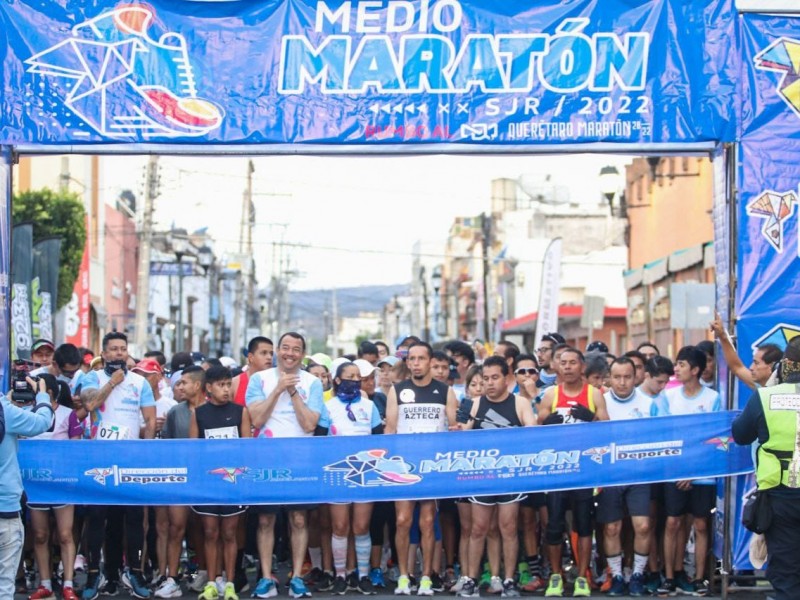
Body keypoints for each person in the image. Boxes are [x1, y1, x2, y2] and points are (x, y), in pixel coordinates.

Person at [246, 332, 323, 599]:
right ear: (277, 350)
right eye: (285, 348)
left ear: (303, 353)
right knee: (266, 518)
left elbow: (310, 424)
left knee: (299, 518)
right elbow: (256, 418)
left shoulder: (313, 383)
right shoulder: (259, 379)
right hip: (266, 457)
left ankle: (297, 577)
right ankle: (266, 577)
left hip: (300, 457)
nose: (290, 353)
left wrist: (292, 391)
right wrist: (278, 387)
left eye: (296, 349)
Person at [79, 332, 156, 600]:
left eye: (123, 349)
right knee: (98, 518)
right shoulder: (92, 378)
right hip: (99, 461)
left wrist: (143, 456)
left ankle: (133, 572)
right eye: (114, 349)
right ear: (104, 352)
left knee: (133, 518)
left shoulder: (139, 382)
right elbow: (90, 404)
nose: (119, 353)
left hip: (130, 460)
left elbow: (149, 420)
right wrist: (112, 383)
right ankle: (95, 574)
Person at [455, 357, 537, 599]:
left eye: (495, 378)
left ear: (507, 378)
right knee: (478, 528)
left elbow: (534, 434)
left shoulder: (520, 403)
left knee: (508, 528)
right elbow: (461, 435)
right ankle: (470, 579)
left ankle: (509, 579)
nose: (490, 383)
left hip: (510, 475)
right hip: (481, 475)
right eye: (486, 379)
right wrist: (458, 428)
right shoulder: (474, 404)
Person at [385, 342, 457, 596]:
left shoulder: (445, 392)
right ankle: (404, 576)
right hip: (403, 466)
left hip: (432, 467)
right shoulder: (398, 391)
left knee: (428, 522)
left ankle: (426, 576)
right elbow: (390, 429)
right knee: (403, 521)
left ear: (430, 361)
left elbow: (453, 428)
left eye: (420, 358)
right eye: (411, 359)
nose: (415, 363)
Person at [731, 336, 800, 600]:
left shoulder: (767, 397)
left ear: (785, 365)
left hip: (780, 496)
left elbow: (740, 435)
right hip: (779, 497)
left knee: (785, 572)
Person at [537, 347, 609, 598]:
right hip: (557, 470)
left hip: (584, 471)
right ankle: (556, 576)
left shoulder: (594, 394)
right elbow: (536, 427)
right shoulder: (550, 394)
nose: (567, 367)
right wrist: (546, 423)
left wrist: (590, 418)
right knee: (554, 525)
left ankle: (581, 576)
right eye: (563, 363)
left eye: (572, 363)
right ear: (557, 367)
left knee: (584, 524)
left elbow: (608, 428)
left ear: (582, 367)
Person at [652, 346, 720, 597]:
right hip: (674, 471)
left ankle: (700, 577)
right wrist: (681, 470)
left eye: (681, 364)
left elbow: (712, 438)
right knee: (672, 522)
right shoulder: (668, 398)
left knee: (702, 524)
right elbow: (663, 435)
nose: (676, 369)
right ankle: (669, 577)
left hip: (703, 473)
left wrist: (693, 471)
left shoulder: (713, 398)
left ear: (696, 370)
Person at [317, 362, 383, 595]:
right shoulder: (328, 407)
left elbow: (379, 440)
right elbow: (319, 439)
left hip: (366, 474)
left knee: (361, 526)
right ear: (337, 380)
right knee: (340, 526)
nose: (355, 380)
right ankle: (341, 575)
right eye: (349, 376)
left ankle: (363, 575)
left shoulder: (369, 405)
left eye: (358, 377)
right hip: (338, 474)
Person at [190, 366, 251, 600]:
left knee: (230, 533)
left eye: (228, 385)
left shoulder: (240, 412)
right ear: (208, 388)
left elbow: (246, 449)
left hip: (232, 482)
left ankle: (230, 583)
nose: (226, 389)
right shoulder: (199, 413)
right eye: (221, 385)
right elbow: (193, 450)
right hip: (208, 482)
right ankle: (212, 582)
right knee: (210, 532)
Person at [597, 358, 655, 596]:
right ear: (609, 378)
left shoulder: (649, 404)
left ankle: (638, 575)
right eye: (617, 377)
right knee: (611, 528)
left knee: (642, 526)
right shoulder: (601, 403)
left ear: (636, 377)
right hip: (610, 476)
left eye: (627, 377)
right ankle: (617, 576)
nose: (622, 382)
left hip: (639, 475)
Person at [24, 374, 78, 600]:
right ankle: (45, 584)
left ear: (49, 392)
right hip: (36, 485)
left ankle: (68, 584)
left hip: (63, 484)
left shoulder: (68, 414)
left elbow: (77, 450)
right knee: (39, 535)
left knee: (65, 535)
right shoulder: (26, 414)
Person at [156, 365, 208, 597]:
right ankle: (171, 578)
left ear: (197, 385)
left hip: (207, 478)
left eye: (184, 382)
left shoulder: (210, 410)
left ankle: (206, 573)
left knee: (203, 529)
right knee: (176, 527)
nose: (179, 386)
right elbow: (166, 444)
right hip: (180, 478)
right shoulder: (176, 412)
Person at [0, 376, 55, 594]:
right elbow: (43, 422)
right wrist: (41, 393)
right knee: (4, 585)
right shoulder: (5, 411)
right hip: (5, 510)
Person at [710, 314, 782, 390]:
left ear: (772, 366)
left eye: (756, 363)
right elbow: (737, 368)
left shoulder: (784, 393)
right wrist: (722, 336)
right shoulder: (761, 388)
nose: (751, 368)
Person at [232, 336, 274, 406]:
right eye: (264, 353)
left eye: (271, 354)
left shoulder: (277, 382)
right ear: (251, 357)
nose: (269, 357)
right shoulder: (235, 383)